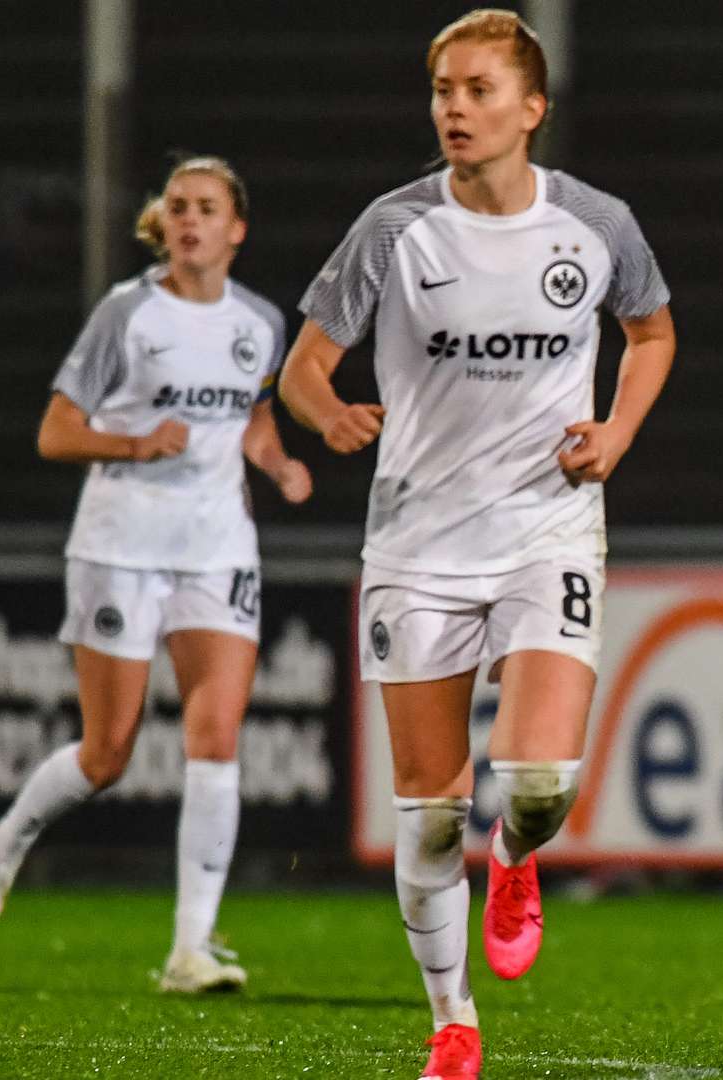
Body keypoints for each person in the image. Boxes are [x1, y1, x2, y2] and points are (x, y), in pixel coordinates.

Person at [279, 9, 674, 1077]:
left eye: (478, 90)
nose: (455, 107)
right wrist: (332, 417)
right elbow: (303, 366)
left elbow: (652, 331)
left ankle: (520, 859)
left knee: (540, 779)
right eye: (444, 90)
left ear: (531, 108)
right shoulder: (393, 229)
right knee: (428, 814)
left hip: (548, 526)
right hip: (417, 542)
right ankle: (452, 1021)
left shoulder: (596, 224)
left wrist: (620, 430)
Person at [0, 156, 311, 994]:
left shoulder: (260, 322)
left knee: (216, 734)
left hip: (219, 548)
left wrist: (283, 464)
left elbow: (252, 422)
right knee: (109, 751)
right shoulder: (128, 313)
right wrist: (134, 443)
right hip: (120, 545)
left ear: (237, 229)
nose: (190, 220)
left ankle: (190, 949)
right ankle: (7, 843)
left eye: (207, 208)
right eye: (178, 207)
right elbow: (54, 431)